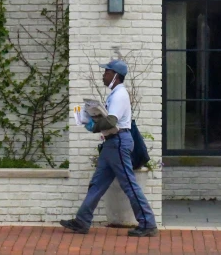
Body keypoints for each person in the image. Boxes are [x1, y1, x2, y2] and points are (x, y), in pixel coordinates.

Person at [60, 59, 158, 237]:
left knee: (129, 184)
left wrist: (91, 124)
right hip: (112, 143)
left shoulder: (120, 94)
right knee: (97, 183)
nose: (103, 75)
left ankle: (148, 223)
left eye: (106, 72)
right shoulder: (115, 93)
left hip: (118, 142)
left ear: (115, 75)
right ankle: (82, 221)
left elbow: (111, 121)